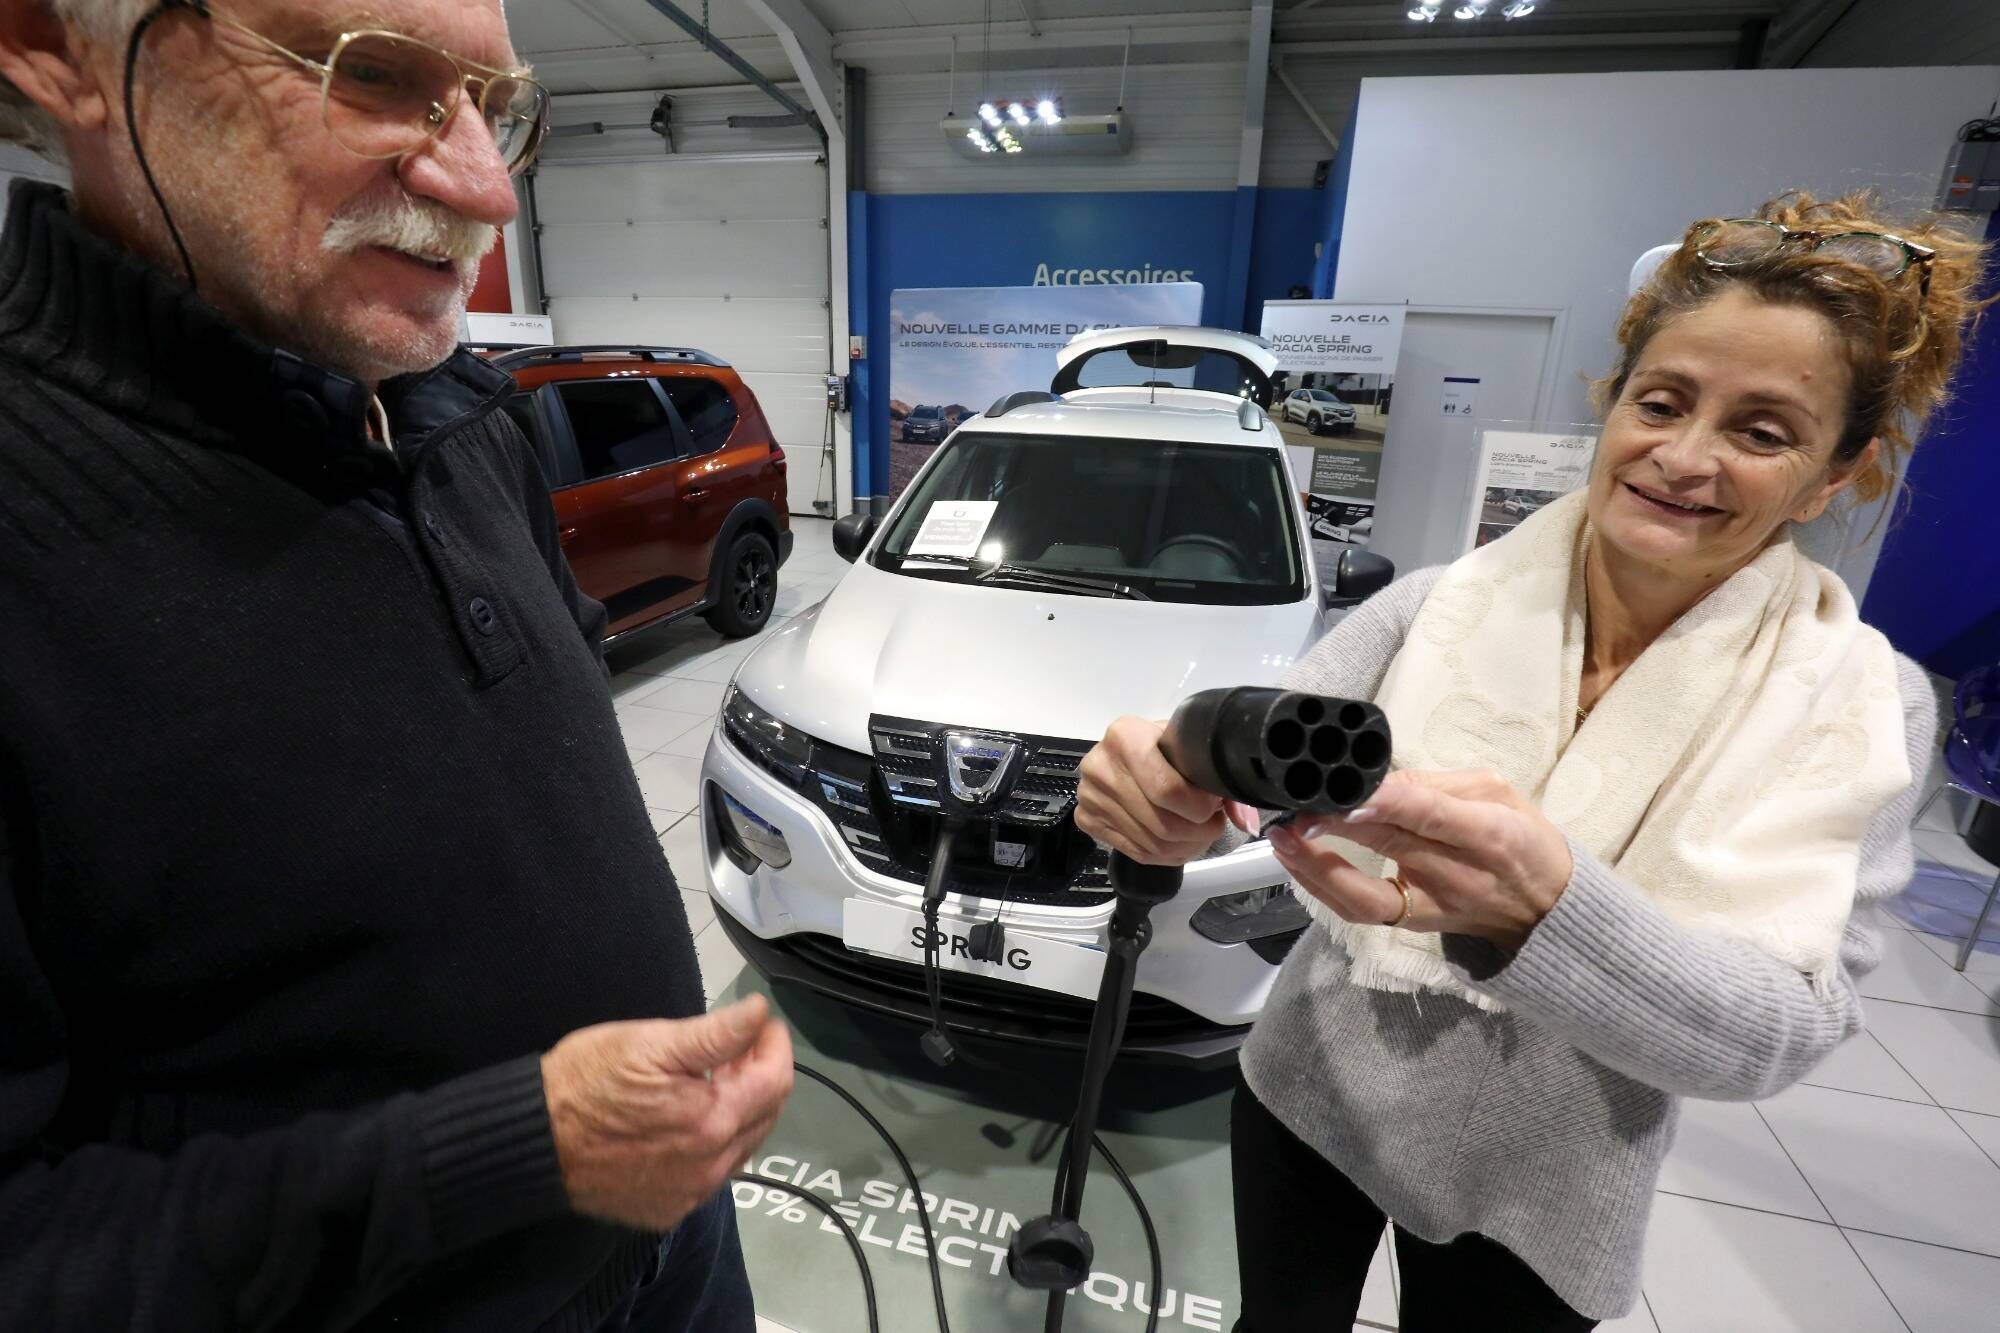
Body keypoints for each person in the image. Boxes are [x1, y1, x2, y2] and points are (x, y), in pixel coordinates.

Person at [0, 2, 792, 1329]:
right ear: (48, 43)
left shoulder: (465, 418)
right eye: (370, 74)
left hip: (674, 1244)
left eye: (497, 104)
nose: (486, 188)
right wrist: (508, 1161)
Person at [1077, 192, 1986, 1331]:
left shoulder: (1859, 703)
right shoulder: (1433, 607)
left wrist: (1547, 911)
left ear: (1836, 475)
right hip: (1312, 1083)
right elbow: (1254, 767)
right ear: (1614, 404)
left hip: (1550, 1173)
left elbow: (1781, 1029)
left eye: (1761, 432)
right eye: (1661, 402)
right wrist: (1163, 783)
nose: (1683, 458)